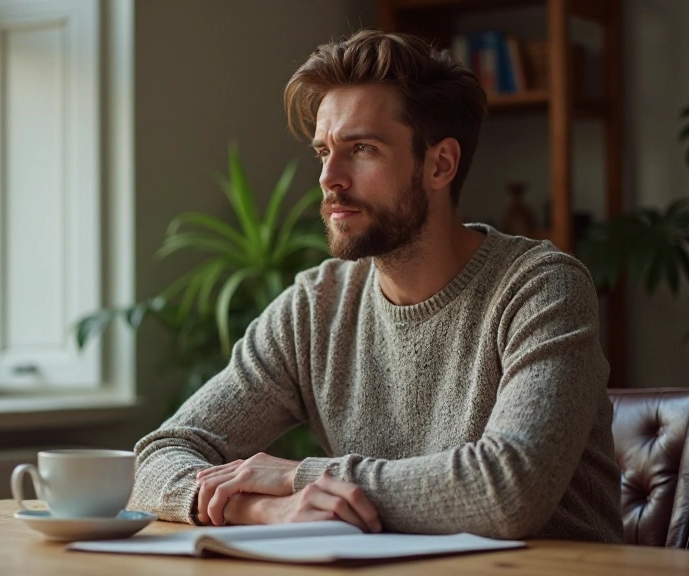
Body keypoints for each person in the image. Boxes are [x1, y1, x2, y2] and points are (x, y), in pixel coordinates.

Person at [128, 29, 624, 543]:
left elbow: (510, 491)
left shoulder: (540, 287)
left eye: (361, 149)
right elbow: (157, 458)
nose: (329, 177)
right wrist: (263, 511)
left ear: (440, 164)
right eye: (323, 151)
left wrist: (303, 476)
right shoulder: (314, 308)